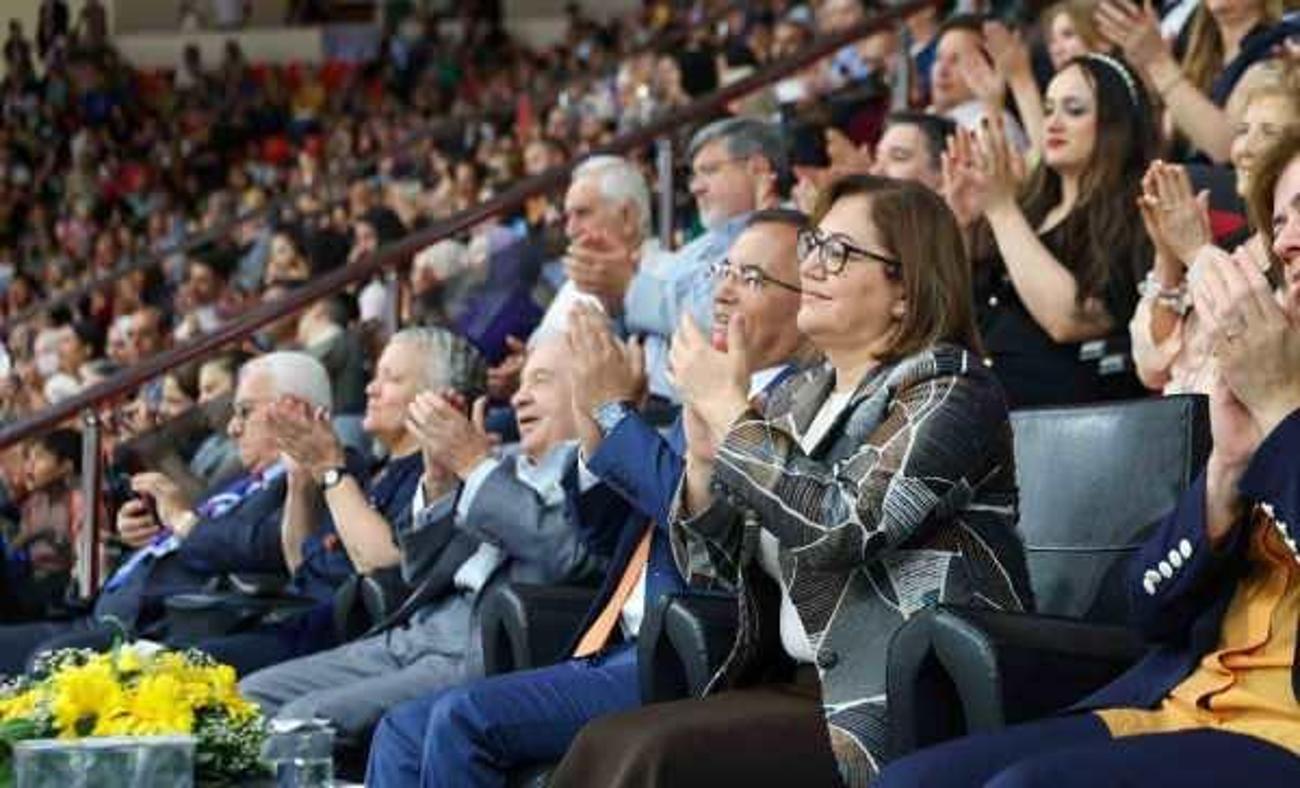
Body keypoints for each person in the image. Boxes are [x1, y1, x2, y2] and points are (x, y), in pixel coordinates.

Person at [545, 175, 1031, 788]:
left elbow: (844, 525)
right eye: (814, 246)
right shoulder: (799, 394)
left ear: (904, 290)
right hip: (799, 685)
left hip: (897, 700)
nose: (815, 266)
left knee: (653, 755)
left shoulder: (951, 389)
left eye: (840, 252)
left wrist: (729, 411)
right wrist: (701, 461)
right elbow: (713, 566)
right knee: (609, 739)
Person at [876, 128, 1300, 788]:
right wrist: (1223, 480)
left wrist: (1280, 417)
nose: (1285, 240)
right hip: (1179, 703)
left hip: (1286, 735)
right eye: (1278, 219)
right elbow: (1145, 608)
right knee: (910, 782)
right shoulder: (1265, 381)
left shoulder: (1274, 387)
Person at [365, 208, 820, 787]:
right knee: (404, 728)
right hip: (611, 638)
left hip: (687, 652)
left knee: (462, 718)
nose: (724, 291)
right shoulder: (715, 379)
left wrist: (613, 414)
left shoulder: (793, 399)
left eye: (751, 278)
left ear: (807, 304)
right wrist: (594, 424)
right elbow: (606, 539)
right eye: (723, 270)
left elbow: (703, 523)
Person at [239, 334, 621, 745]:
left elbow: (567, 555)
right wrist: (439, 485)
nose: (519, 398)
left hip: (480, 648)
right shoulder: (501, 459)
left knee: (299, 723)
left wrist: (475, 467)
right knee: (249, 696)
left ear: (588, 390)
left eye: (541, 381)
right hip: (415, 631)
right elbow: (416, 571)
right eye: (521, 383)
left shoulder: (598, 475)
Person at [0, 353, 313, 676]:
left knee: (49, 659)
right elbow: (194, 524)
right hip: (102, 610)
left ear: (293, 408)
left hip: (153, 627)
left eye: (245, 412)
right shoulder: (238, 478)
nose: (233, 428)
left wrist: (180, 519)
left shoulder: (312, 477)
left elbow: (263, 546)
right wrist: (138, 538)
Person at [195, 328, 478, 675]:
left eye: (392, 379)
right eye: (375, 375)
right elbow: (301, 563)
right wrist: (301, 479)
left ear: (437, 398)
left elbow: (385, 568)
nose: (371, 388)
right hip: (295, 617)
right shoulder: (377, 471)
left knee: (184, 672)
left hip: (347, 640)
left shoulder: (434, 478)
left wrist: (330, 469)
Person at [946, 53, 1156, 407]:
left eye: (1073, 110)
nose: (1053, 123)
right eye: (1047, 109)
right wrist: (965, 229)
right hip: (980, 404)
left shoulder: (1137, 214)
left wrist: (1000, 210)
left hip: (1064, 418)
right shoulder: (1028, 206)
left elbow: (1070, 320)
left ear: (1114, 124)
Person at [1131, 65, 1300, 395]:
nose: (1245, 148)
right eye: (1242, 131)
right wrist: (1168, 255)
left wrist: (1196, 252)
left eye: (1268, 133)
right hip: (1176, 432)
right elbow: (1150, 366)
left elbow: (1257, 367)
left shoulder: (1288, 257)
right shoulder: (1231, 250)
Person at [1096, 0, 1294, 163]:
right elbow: (1166, 145)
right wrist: (1147, 78)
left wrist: (1157, 63)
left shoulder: (1282, 48)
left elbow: (1229, 148)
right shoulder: (1192, 41)